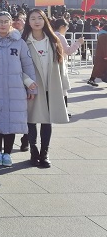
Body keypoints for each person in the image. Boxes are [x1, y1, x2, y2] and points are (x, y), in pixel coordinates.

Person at [0, 12, 36, 167]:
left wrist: (32, 88)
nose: (3, 24)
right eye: (0, 21)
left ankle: (7, 153)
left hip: (15, 90)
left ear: (11, 24)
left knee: (11, 123)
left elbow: (28, 65)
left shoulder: (19, 43)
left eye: (6, 21)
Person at [22, 9, 68, 168]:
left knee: (47, 120)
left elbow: (61, 65)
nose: (36, 21)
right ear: (28, 22)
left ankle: (45, 152)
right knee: (31, 119)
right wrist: (27, 81)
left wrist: (63, 87)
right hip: (32, 87)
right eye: (33, 18)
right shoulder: (23, 41)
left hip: (51, 86)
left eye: (40, 18)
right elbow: (17, 65)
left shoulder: (53, 40)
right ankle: (33, 150)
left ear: (45, 20)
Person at [53, 18, 83, 115]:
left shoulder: (51, 35)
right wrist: (78, 43)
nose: (67, 29)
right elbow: (68, 51)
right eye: (67, 27)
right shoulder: (60, 37)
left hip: (53, 64)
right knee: (63, 89)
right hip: (61, 64)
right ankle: (64, 111)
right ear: (62, 27)